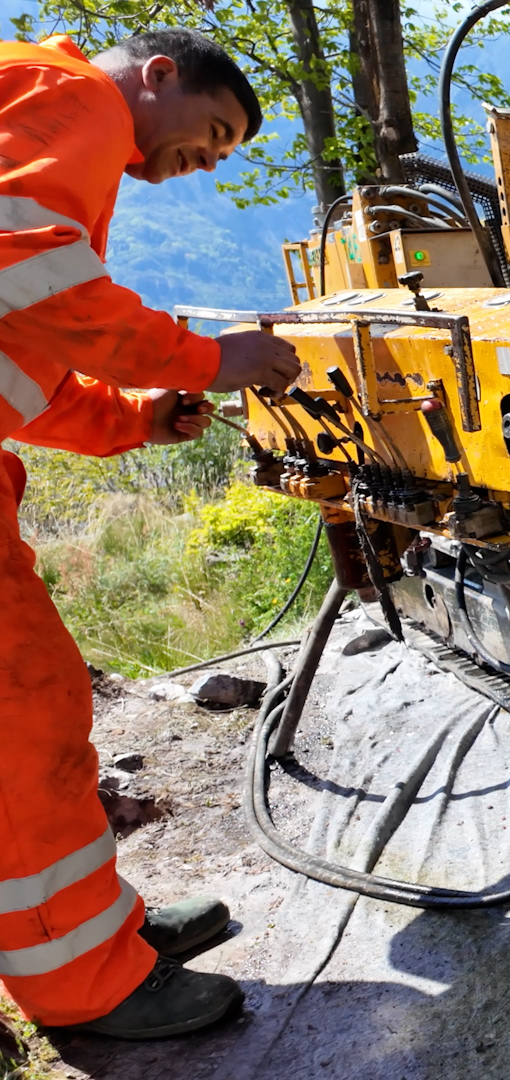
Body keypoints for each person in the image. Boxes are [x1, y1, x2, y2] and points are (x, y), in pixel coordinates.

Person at [0, 28, 300, 1040]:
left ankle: (100, 936)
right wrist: (214, 362)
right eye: (212, 132)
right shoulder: (72, 96)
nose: (207, 161)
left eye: (224, 155)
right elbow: (35, 277)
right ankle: (88, 986)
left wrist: (133, 415)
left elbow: (23, 353)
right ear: (156, 75)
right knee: (24, 724)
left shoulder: (44, 117)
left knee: (33, 715)